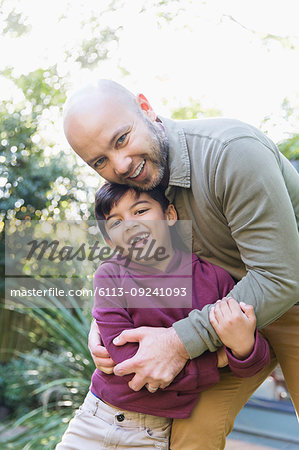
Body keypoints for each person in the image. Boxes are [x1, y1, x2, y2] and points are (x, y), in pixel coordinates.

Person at [63, 79, 299, 448]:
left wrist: (178, 341)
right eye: (100, 161)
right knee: (191, 436)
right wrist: (107, 316)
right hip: (222, 314)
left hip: (289, 299)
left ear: (146, 107)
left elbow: (281, 277)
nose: (120, 165)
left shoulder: (232, 152)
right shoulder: (144, 183)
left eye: (121, 139)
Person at [56, 182, 270, 449]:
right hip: (96, 418)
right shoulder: (110, 276)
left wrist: (242, 346)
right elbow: (130, 364)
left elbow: (253, 361)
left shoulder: (214, 279)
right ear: (109, 240)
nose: (131, 225)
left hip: (155, 434)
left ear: (170, 215)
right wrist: (215, 361)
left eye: (141, 210)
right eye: (116, 222)